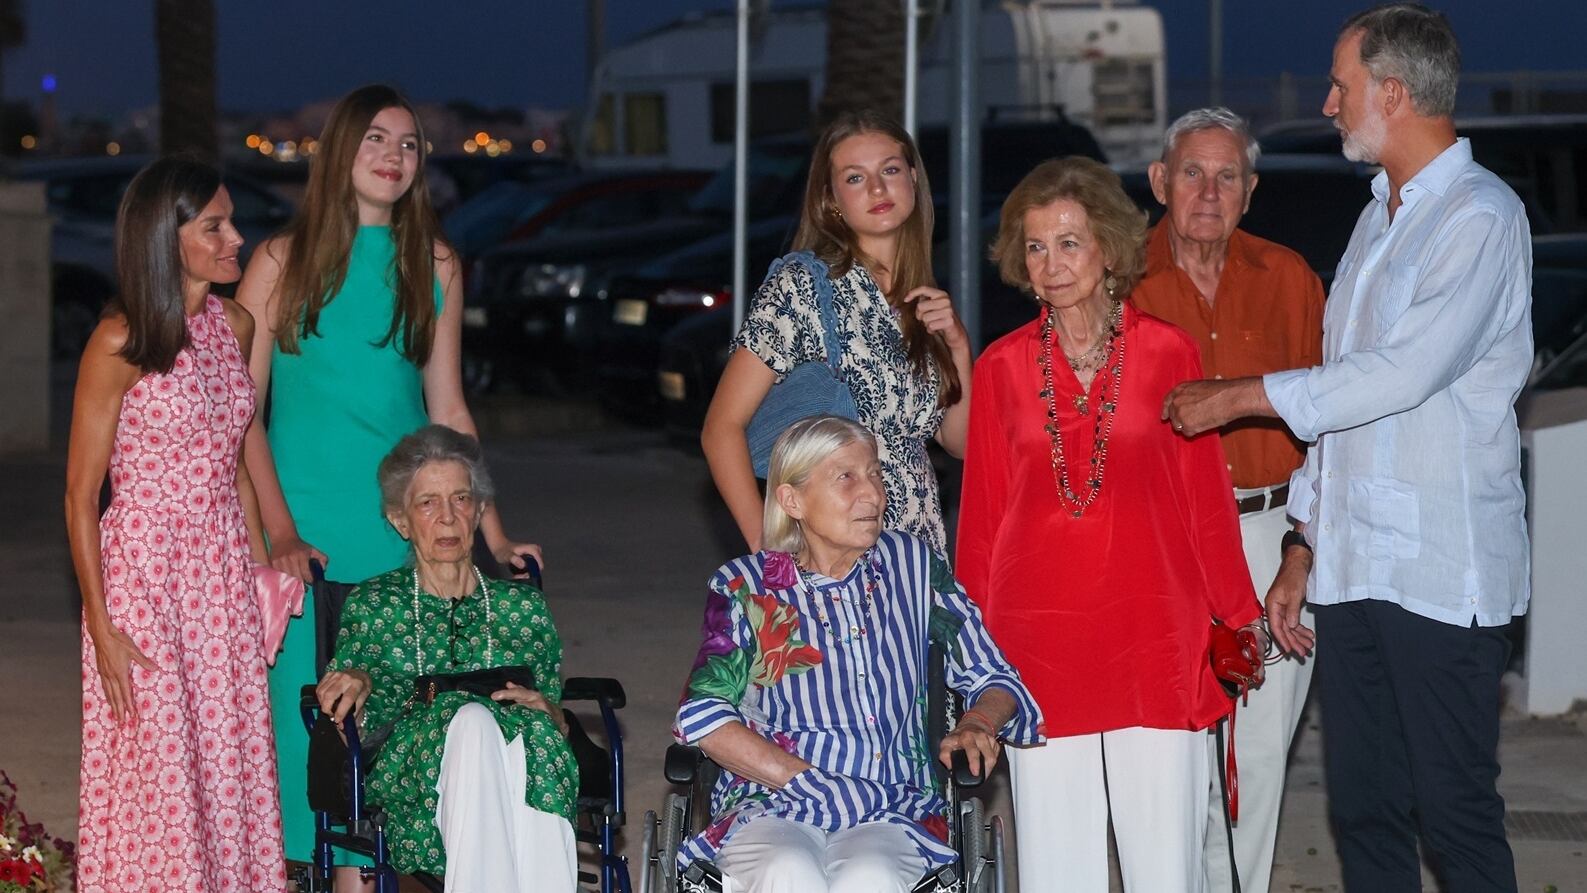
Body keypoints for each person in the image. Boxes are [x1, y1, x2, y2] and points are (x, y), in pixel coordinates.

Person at [1162, 6, 1532, 890]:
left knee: (1454, 813)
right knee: (1362, 811)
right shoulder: (1376, 222)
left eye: (1342, 84)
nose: (1328, 103)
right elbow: (1340, 405)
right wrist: (1301, 546)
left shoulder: (1480, 217)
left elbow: (1399, 374)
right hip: (1353, 569)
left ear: (1394, 93)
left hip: (1443, 574)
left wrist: (1242, 396)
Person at [235, 83, 542, 865]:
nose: (393, 157)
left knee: (387, 730)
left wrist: (494, 536)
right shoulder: (277, 260)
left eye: (408, 145)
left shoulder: (436, 262)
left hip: (397, 536)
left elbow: (449, 409)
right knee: (295, 740)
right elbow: (238, 414)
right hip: (296, 534)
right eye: (376, 139)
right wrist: (274, 530)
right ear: (340, 149)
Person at [956, 156, 1266, 892]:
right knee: (1057, 870)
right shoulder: (1001, 367)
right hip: (1038, 643)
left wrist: (1238, 616)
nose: (1052, 263)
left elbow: (1203, 503)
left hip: (1154, 635)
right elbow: (982, 517)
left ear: (1108, 249)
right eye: (1035, 246)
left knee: (1165, 866)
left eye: (1069, 242)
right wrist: (970, 651)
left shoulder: (1168, 353)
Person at [675, 416, 1042, 893]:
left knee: (871, 877)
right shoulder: (746, 586)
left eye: (875, 474)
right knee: (786, 871)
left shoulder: (913, 566)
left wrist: (978, 722)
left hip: (893, 802)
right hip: (773, 798)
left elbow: (994, 675)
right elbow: (702, 714)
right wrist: (809, 783)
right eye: (846, 477)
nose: (872, 494)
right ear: (793, 500)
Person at [68, 157, 286, 892]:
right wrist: (100, 623)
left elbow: (233, 468)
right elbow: (79, 493)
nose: (236, 238)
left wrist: (261, 577)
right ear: (168, 238)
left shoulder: (236, 323)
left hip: (220, 578)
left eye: (231, 221)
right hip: (146, 579)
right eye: (215, 226)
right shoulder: (118, 340)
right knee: (158, 777)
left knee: (225, 765)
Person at [1131, 106, 1326, 893]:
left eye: (1226, 176)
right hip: (1163, 544)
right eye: (1190, 173)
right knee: (1180, 750)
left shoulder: (1289, 279)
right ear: (1158, 183)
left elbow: (1334, 422)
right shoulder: (1116, 284)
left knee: (1262, 748)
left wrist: (1301, 550)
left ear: (1249, 191)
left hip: (1274, 531)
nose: (1207, 192)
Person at [314, 425, 578, 892]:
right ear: (400, 520)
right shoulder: (376, 605)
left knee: (532, 731)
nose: (448, 518)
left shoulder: (523, 609)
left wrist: (552, 713)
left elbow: (552, 706)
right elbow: (359, 714)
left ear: (478, 512)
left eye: (460, 500)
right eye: (428, 503)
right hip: (412, 776)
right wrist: (355, 677)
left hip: (517, 761)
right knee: (472, 718)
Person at [701, 110, 972, 555]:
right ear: (831, 199)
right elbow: (721, 428)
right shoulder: (804, 286)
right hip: (832, 555)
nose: (878, 188)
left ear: (914, 178)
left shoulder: (923, 295)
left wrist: (959, 348)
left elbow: (956, 444)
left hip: (916, 554)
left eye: (889, 170)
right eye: (854, 178)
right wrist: (766, 548)